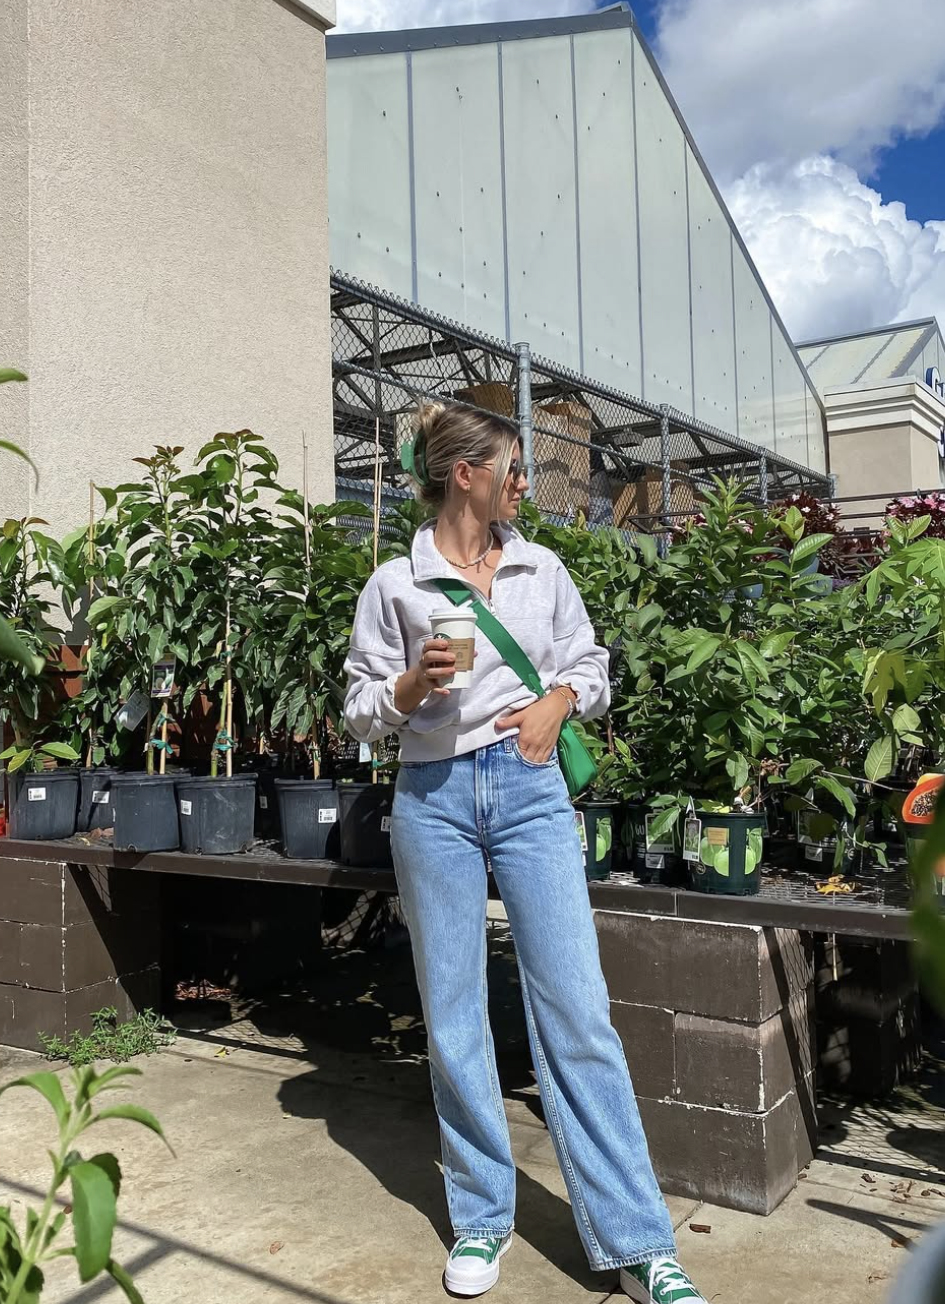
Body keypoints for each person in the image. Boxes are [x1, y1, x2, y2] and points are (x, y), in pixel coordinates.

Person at [344, 401, 707, 1304]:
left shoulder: (544, 569)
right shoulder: (398, 583)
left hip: (530, 787)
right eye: (511, 468)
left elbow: (590, 664)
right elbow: (356, 711)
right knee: (454, 1010)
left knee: (578, 1009)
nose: (521, 483)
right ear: (463, 473)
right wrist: (406, 684)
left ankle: (637, 1239)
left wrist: (559, 704)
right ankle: (479, 1215)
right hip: (431, 797)